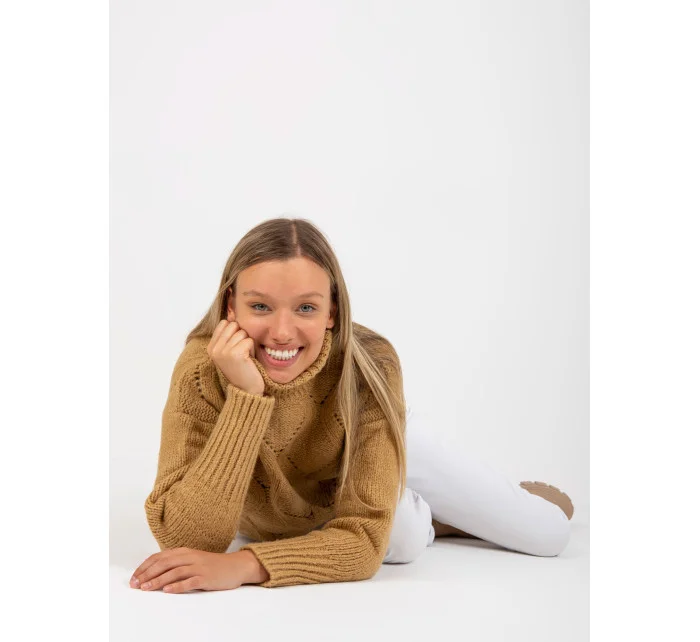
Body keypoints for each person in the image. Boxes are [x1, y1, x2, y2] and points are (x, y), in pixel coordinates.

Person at [130, 217, 574, 593]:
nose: (281, 332)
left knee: (547, 534)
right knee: (405, 537)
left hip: (374, 444)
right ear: (231, 305)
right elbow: (186, 541)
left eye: (306, 308)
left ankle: (465, 498)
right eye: (260, 306)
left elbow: (361, 542)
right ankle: (432, 512)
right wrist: (246, 399)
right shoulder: (201, 369)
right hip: (291, 512)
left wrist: (245, 565)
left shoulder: (370, 362)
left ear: (333, 312)